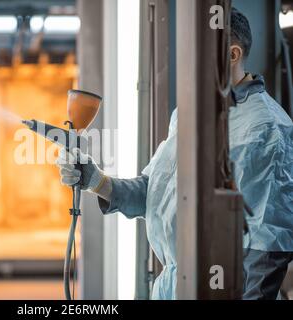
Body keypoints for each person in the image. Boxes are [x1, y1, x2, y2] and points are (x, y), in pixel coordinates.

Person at [56, 7, 293, 300]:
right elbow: (154, 191)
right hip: (172, 284)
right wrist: (97, 181)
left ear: (232, 55)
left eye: (199, 53)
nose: (189, 64)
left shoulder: (268, 128)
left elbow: (269, 246)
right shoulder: (189, 113)